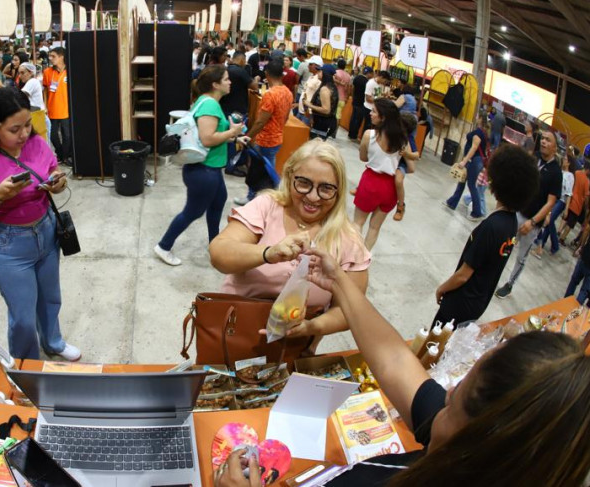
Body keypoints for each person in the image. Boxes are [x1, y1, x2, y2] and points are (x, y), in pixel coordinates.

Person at [214, 246, 590, 487]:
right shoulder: (465, 454)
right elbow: (395, 359)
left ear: (483, 433)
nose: (449, 390)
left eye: (463, 387)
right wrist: (339, 282)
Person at [209, 140, 370, 345]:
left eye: (326, 188)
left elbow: (351, 310)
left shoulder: (348, 239)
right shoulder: (267, 207)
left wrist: (311, 327)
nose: (313, 197)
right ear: (289, 176)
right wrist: (268, 253)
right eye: (303, 183)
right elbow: (219, 253)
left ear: (338, 191)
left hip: (296, 346)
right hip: (233, 334)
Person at [0, 88, 79, 361]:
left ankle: (53, 341)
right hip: (9, 245)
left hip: (47, 232)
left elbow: (51, 171)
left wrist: (57, 182)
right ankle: (26, 364)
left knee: (50, 298)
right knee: (23, 316)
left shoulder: (36, 143)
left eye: (28, 124)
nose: (24, 134)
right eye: (15, 129)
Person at [434, 145, 538, 327]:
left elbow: (463, 275)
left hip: (458, 304)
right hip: (477, 304)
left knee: (431, 347)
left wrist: (442, 288)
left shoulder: (491, 226)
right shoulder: (511, 223)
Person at [154, 65, 243, 266]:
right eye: (227, 79)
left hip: (210, 169)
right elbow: (208, 138)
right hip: (204, 171)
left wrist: (233, 138)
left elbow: (206, 138)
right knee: (193, 212)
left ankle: (214, 244)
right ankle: (164, 246)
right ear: (215, 84)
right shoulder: (210, 105)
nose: (230, 82)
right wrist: (232, 132)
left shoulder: (204, 101)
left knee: (219, 201)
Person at [495, 130, 562, 299]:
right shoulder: (534, 157)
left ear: (555, 147)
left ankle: (510, 284)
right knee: (504, 244)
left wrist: (532, 222)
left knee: (521, 256)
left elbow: (550, 203)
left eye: (548, 140)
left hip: (532, 222)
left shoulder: (556, 172)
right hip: (517, 210)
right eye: (543, 139)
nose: (544, 142)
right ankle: (493, 272)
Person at [236, 60, 293, 205]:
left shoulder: (270, 95)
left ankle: (253, 197)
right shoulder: (288, 92)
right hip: (278, 138)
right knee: (268, 168)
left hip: (265, 139)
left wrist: (248, 136)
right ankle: (269, 195)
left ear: (267, 74)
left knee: (258, 170)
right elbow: (285, 117)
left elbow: (261, 121)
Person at [352, 98, 407, 250]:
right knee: (375, 228)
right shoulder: (402, 139)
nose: (370, 114)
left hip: (371, 183)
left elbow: (363, 158)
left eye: (374, 111)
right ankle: (364, 258)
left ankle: (352, 256)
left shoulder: (369, 135)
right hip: (390, 188)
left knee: (358, 223)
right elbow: (409, 162)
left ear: (383, 117)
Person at [443, 115, 490, 221]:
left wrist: (464, 161)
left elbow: (474, 147)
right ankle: (452, 202)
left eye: (478, 116)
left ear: (481, 119)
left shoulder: (479, 133)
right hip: (473, 160)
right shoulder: (480, 132)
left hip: (474, 161)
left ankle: (477, 212)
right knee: (462, 181)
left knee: (471, 184)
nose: (476, 117)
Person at [220, 52, 258, 176]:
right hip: (237, 110)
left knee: (228, 136)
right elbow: (254, 86)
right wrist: (256, 79)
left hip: (225, 108)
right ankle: (231, 166)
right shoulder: (241, 72)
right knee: (235, 139)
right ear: (241, 59)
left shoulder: (226, 70)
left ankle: (227, 162)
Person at [532, 155, 573, 257]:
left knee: (549, 221)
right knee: (548, 221)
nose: (563, 160)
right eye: (563, 159)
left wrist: (566, 208)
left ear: (569, 163)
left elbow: (568, 194)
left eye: (566, 160)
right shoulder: (558, 172)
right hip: (553, 199)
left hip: (561, 201)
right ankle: (543, 243)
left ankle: (550, 245)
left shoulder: (570, 176)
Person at [43, 47, 72, 166]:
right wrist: (45, 105)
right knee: (53, 135)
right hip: (52, 108)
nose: (50, 59)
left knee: (67, 135)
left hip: (66, 109)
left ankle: (65, 157)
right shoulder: (47, 72)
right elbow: (45, 90)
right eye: (50, 56)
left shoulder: (69, 71)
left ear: (62, 57)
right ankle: (61, 154)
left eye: (53, 56)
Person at [392, 113, 420, 222]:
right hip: (390, 159)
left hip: (401, 163)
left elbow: (416, 155)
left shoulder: (409, 138)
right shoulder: (393, 132)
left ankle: (400, 207)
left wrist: (407, 154)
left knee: (398, 180)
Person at [305, 64, 339, 140]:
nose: (317, 73)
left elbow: (326, 110)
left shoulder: (325, 89)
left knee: (315, 146)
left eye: (320, 71)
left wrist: (309, 105)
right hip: (325, 123)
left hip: (321, 124)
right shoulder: (332, 86)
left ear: (325, 74)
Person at [558, 164, 589, 245]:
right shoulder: (586, 181)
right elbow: (586, 196)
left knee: (565, 217)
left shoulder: (576, 173)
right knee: (570, 223)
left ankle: (559, 230)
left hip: (570, 200)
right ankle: (562, 238)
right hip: (578, 205)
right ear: (588, 170)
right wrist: (586, 206)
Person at [18, 63, 49, 140]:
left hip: (39, 118)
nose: (20, 76)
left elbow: (20, 96)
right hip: (37, 117)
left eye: (23, 73)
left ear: (31, 72)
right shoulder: (30, 82)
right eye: (19, 73)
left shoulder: (32, 81)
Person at [347, 66, 372, 141]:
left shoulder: (356, 78)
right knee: (358, 120)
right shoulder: (367, 82)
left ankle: (350, 134)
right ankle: (354, 135)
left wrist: (353, 97)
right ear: (369, 73)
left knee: (353, 118)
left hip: (355, 101)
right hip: (362, 103)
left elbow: (352, 88)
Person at [296, 55, 323, 124]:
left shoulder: (319, 79)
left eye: (311, 64)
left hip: (308, 112)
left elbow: (318, 97)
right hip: (302, 110)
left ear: (317, 66)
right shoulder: (311, 76)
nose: (308, 66)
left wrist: (310, 111)